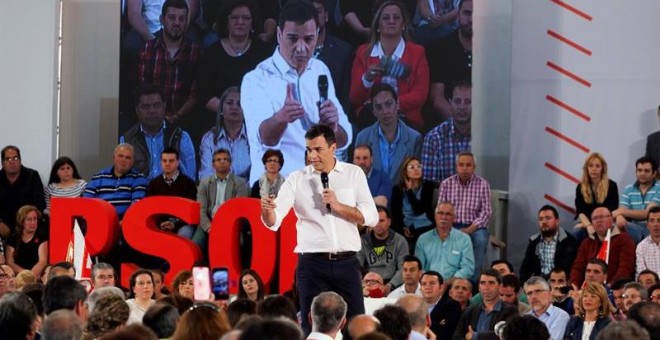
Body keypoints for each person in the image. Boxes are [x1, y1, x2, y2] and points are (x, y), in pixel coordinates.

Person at [260, 124, 378, 335]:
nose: (312, 155)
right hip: (313, 265)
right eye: (309, 149)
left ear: (333, 147)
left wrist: (339, 206)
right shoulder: (297, 179)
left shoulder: (353, 174)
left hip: (348, 263)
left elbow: (371, 217)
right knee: (313, 328)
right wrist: (268, 211)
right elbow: (274, 221)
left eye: (318, 149)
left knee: (357, 327)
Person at [242, 1, 352, 182]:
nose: (301, 47)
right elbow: (264, 138)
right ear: (279, 34)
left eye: (308, 39)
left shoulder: (320, 70)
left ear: (317, 36)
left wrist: (333, 127)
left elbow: (342, 139)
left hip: (318, 187)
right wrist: (281, 118)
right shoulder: (256, 79)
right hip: (275, 188)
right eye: (293, 39)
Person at [197, 0, 272, 140]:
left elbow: (269, 91)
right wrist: (229, 111)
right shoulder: (210, 54)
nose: (240, 22)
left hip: (254, 121)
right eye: (235, 17)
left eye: (245, 18)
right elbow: (204, 94)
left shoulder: (264, 53)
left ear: (252, 22)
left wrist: (245, 112)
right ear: (226, 21)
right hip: (216, 121)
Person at [349, 1, 429, 131]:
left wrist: (388, 105)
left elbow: (420, 94)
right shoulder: (363, 52)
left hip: (405, 116)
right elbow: (355, 98)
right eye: (386, 18)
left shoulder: (418, 52)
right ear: (378, 26)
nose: (391, 21)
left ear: (403, 25)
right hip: (371, 117)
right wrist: (367, 79)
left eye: (396, 17)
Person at [137, 0, 200, 124]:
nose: (177, 23)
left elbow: (195, 95)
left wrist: (177, 116)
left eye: (181, 19)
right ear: (161, 19)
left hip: (185, 119)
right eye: (172, 18)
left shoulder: (195, 52)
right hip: (152, 119)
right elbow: (143, 90)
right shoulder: (147, 49)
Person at [121, 84, 196, 180]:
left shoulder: (181, 137)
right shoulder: (127, 140)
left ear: (164, 106)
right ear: (137, 110)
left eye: (156, 105)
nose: (152, 111)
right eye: (145, 107)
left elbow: (189, 180)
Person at [438, 152, 491, 282]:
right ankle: (447, 279)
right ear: (456, 166)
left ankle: (472, 282)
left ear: (474, 167)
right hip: (452, 226)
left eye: (468, 165)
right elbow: (440, 210)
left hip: (475, 227)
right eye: (461, 165)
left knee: (481, 240)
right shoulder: (446, 184)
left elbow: (486, 212)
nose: (464, 168)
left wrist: (469, 230)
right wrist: (451, 229)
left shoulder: (483, 184)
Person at [355, 84, 423, 183]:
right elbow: (358, 179)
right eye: (379, 107)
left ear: (398, 104)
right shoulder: (363, 137)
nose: (385, 111)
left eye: (389, 104)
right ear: (373, 111)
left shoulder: (415, 138)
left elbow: (415, 183)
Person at [426, 0, 472, 122]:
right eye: (467, 13)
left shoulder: (494, 50)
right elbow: (437, 99)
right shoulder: (441, 48)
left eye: (477, 14)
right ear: (457, 15)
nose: (472, 19)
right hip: (449, 123)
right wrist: (462, 124)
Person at [195, 148, 249, 252]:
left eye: (225, 159)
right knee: (196, 244)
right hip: (208, 222)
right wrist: (209, 228)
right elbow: (201, 209)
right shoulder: (204, 183)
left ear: (230, 163)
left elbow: (239, 210)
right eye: (218, 160)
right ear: (213, 164)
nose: (222, 162)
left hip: (231, 223)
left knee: (240, 243)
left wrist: (225, 227)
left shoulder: (240, 183)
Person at [570, 207, 635, 287]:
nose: (598, 221)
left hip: (614, 290)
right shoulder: (587, 242)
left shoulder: (624, 239)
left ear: (611, 219)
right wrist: (574, 285)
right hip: (589, 290)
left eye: (602, 217)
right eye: (595, 218)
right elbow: (578, 268)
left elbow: (626, 269)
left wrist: (609, 287)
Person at [421, 81, 472, 184]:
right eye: (457, 101)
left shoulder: (486, 137)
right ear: (450, 102)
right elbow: (429, 188)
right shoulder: (433, 138)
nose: (462, 107)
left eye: (467, 102)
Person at [198, 87, 251, 182]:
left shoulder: (255, 139)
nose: (234, 107)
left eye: (239, 104)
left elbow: (258, 177)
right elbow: (205, 177)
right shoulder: (209, 139)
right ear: (221, 108)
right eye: (229, 103)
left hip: (246, 193)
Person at [84, 143, 148, 219]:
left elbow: (136, 206)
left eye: (128, 158)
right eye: (120, 156)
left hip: (125, 223)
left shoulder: (139, 179)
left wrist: (122, 223)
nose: (123, 160)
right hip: (100, 221)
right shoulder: (99, 177)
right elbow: (86, 201)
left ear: (132, 161)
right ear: (114, 158)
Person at [309, 0, 353, 113]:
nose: (314, 17)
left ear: (326, 16)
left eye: (318, 12)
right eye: (309, 12)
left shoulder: (343, 51)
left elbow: (346, 97)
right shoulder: (292, 51)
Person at [146, 147, 197, 239]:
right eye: (164, 161)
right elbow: (149, 209)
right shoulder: (153, 184)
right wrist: (160, 223)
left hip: (182, 224)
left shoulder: (189, 183)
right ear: (161, 162)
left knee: (183, 237)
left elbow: (191, 211)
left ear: (178, 162)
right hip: (159, 223)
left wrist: (175, 224)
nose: (167, 164)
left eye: (171, 161)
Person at [452, 269, 518, 340]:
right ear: (479, 288)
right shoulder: (469, 311)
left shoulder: (511, 311)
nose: (486, 287)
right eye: (482, 283)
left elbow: (505, 334)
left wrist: (474, 336)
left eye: (491, 283)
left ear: (500, 286)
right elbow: (457, 336)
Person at [416, 201, 475, 281]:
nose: (443, 217)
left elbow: (468, 268)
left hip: (454, 284)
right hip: (429, 284)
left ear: (454, 218)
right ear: (435, 216)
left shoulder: (464, 239)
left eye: (448, 214)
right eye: (440, 213)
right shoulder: (423, 239)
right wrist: (431, 282)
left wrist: (448, 283)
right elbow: (419, 268)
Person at [357, 205, 408, 295]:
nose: (378, 224)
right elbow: (357, 267)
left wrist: (390, 285)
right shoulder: (363, 241)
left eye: (382, 220)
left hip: (393, 285)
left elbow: (403, 269)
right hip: (369, 284)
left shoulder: (400, 241)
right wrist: (364, 285)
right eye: (375, 220)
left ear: (389, 221)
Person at [520, 205, 578, 283]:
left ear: (557, 221)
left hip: (560, 283)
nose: (544, 222)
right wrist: (526, 284)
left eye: (548, 218)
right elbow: (526, 268)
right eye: (541, 219)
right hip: (539, 284)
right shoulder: (534, 241)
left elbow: (567, 267)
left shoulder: (569, 240)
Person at [391, 157, 436, 251]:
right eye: (412, 167)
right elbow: (395, 214)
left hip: (425, 225)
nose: (416, 169)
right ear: (405, 171)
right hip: (404, 226)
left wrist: (409, 191)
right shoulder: (397, 189)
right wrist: (403, 228)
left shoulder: (428, 186)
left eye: (419, 166)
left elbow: (419, 210)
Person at [0, 145, 46, 238]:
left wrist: (27, 222)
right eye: (7, 159)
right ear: (2, 163)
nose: (12, 162)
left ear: (20, 161)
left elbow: (39, 204)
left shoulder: (32, 176)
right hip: (3, 225)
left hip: (27, 223)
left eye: (15, 158)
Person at [612, 156, 660, 244]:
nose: (642, 173)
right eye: (639, 170)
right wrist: (619, 216)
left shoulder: (659, 187)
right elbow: (621, 211)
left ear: (654, 173)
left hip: (654, 228)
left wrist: (621, 211)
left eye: (646, 171)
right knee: (614, 228)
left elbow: (648, 214)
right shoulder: (629, 189)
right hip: (634, 228)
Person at [573, 153, 619, 237]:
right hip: (587, 224)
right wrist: (588, 225)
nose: (594, 169)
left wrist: (596, 224)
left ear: (602, 169)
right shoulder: (580, 187)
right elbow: (580, 212)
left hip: (606, 224)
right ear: (586, 168)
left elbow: (612, 211)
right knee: (576, 233)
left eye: (597, 166)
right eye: (591, 166)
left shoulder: (612, 185)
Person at [5, 205, 48, 278]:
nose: (33, 222)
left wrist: (30, 275)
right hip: (18, 276)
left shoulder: (42, 237)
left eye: (35, 219)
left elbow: (42, 261)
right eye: (29, 219)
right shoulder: (13, 238)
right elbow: (10, 262)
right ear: (22, 222)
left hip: (36, 276)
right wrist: (25, 275)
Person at [420, 270, 462, 339]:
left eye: (432, 283)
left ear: (441, 287)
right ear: (420, 288)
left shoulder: (452, 306)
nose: (427, 287)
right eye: (424, 284)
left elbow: (445, 332)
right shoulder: (415, 305)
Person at [636, 206, 660, 278]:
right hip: (650, 287)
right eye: (652, 221)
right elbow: (641, 273)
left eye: (659, 220)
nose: (655, 224)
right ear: (647, 225)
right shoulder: (641, 247)